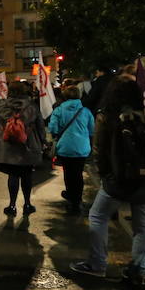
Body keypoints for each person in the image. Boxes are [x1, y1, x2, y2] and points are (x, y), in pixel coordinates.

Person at [71, 77, 145, 282]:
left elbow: (99, 150)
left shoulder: (107, 115)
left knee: (98, 216)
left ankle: (97, 264)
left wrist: (105, 175)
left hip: (117, 178)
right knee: (143, 226)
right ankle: (139, 269)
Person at [0, 81, 45, 216]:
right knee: (27, 176)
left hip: (8, 148)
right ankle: (27, 204)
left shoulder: (2, 104)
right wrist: (43, 141)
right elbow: (40, 126)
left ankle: (12, 205)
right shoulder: (32, 106)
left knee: (13, 176)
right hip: (28, 147)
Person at [49, 86, 94, 215]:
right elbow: (92, 130)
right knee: (78, 174)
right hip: (81, 148)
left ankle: (70, 197)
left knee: (68, 173)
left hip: (65, 147)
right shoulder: (85, 111)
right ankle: (77, 200)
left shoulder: (58, 110)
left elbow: (53, 128)